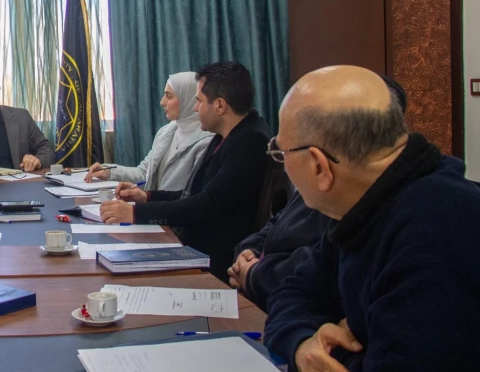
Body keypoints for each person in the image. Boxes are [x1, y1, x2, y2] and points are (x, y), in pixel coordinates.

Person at [263, 66, 480, 372]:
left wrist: (331, 351)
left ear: (319, 166)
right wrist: (302, 343)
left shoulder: (434, 233)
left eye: (281, 152)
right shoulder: (366, 203)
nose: (282, 163)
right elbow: (293, 292)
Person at [229, 76, 409, 310]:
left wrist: (255, 274)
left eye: (283, 151)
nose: (285, 164)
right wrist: (248, 252)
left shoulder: (375, 201)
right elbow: (276, 224)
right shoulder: (324, 180)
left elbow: (323, 273)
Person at [99, 61, 271, 280]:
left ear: (220, 106)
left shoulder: (250, 142)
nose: (195, 108)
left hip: (212, 261)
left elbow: (206, 205)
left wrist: (135, 213)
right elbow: (196, 193)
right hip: (195, 246)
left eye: (199, 101)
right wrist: (147, 197)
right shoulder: (228, 134)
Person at [84, 71, 212, 190]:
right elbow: (144, 173)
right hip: (156, 205)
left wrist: (146, 201)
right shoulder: (166, 132)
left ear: (188, 99)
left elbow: (193, 196)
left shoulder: (207, 141)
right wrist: (109, 171)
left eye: (169, 96)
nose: (162, 102)